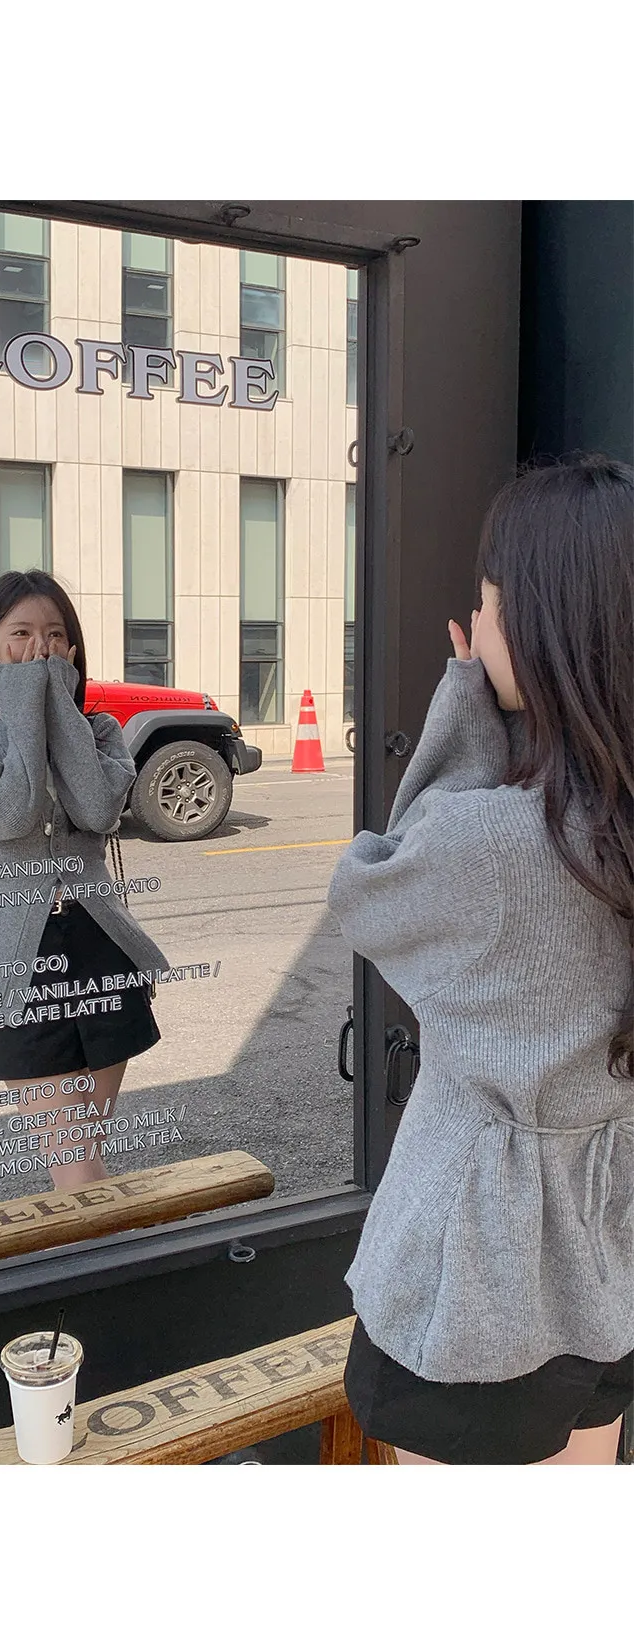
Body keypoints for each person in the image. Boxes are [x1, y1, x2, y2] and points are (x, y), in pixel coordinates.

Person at [328, 454, 634, 1465]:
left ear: (537, 625)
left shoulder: (492, 846)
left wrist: (465, 707)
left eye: (489, 601)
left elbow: (373, 890)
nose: (475, 622)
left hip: (477, 1288)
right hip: (611, 1256)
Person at [0, 569, 169, 1191]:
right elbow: (13, 813)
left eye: (55, 634)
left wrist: (58, 708)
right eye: (21, 634)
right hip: (17, 960)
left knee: (84, 1147)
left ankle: (99, 1247)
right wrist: (22, 707)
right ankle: (114, 1252)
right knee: (75, 1159)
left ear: (73, 647)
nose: (40, 648)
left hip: (98, 943)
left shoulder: (100, 732)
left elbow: (96, 809)